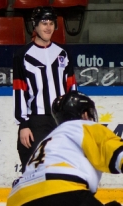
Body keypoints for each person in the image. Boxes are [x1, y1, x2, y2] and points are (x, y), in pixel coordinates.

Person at [13, 6, 77, 172]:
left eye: (51, 23)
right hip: (36, 122)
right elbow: (20, 91)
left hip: (61, 121)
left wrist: (74, 114)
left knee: (63, 168)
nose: (48, 27)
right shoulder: (23, 55)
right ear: (35, 25)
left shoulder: (63, 52)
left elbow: (71, 87)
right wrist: (23, 124)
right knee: (33, 170)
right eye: (43, 23)